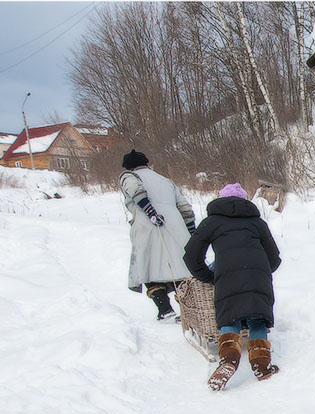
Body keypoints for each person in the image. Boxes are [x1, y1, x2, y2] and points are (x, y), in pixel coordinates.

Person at [183, 183, 281, 391]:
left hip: (227, 275)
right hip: (258, 274)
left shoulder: (211, 222)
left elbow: (191, 256)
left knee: (230, 316)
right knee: (257, 318)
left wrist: (211, 277)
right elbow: (274, 258)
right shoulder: (257, 222)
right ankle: (262, 366)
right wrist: (259, 272)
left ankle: (228, 360)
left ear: (220, 200)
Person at [119, 150, 196, 321]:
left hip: (148, 224)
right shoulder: (165, 181)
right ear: (146, 163)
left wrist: (150, 212)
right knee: (179, 268)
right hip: (175, 225)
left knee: (149, 267)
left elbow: (135, 190)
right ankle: (187, 311)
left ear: (129, 166)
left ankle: (165, 309)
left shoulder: (128, 176)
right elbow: (185, 208)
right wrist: (191, 231)